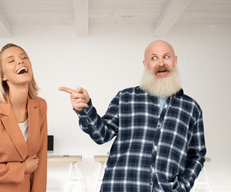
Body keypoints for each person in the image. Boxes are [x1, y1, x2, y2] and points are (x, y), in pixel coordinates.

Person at [59, 40, 206, 192]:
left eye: (166, 57)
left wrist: (183, 187)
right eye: (154, 58)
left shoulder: (191, 108)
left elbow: (197, 154)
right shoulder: (126, 97)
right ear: (145, 64)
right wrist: (86, 109)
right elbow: (101, 135)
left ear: (175, 60)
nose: (161, 63)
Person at [0, 43, 47, 192]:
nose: (20, 61)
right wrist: (22, 168)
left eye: (24, 57)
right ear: (3, 75)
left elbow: (40, 161)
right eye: (11, 60)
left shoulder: (40, 106)